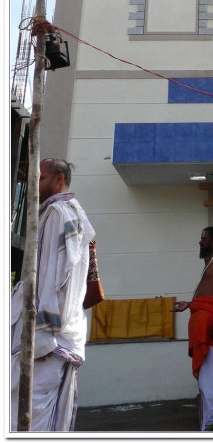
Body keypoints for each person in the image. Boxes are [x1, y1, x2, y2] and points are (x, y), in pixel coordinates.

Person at [11, 158, 95, 432]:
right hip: (47, 334)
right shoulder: (55, 212)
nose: (34, 184)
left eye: (40, 178)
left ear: (59, 179)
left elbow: (57, 281)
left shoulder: (60, 212)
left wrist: (44, 333)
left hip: (47, 337)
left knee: (28, 416)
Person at [173, 226, 213, 431]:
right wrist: (189, 304)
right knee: (208, 374)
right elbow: (208, 294)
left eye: (203, 238)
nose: (200, 242)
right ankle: (210, 422)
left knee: (211, 373)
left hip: (211, 323)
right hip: (203, 320)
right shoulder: (211, 260)